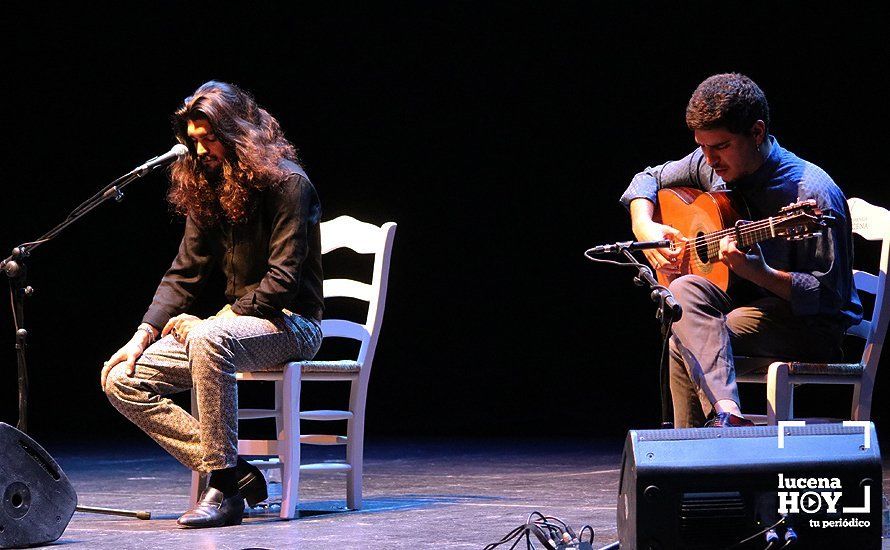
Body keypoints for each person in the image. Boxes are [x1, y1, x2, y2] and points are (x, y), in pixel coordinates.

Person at [100, 81, 324, 527]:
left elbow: (282, 282)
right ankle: (236, 473)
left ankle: (223, 491)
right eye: (193, 140)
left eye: (209, 138)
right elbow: (184, 272)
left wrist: (217, 319)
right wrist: (142, 335)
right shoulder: (209, 186)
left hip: (292, 324)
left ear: (239, 133)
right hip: (227, 333)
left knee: (207, 335)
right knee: (119, 377)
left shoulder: (289, 184)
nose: (200, 150)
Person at [620, 73, 862, 428]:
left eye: (720, 147)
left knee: (685, 337)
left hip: (808, 325)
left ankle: (699, 458)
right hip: (744, 305)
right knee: (682, 291)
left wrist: (760, 274)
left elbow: (830, 299)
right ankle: (726, 420)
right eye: (702, 147)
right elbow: (648, 178)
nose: (709, 159)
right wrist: (644, 225)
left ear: (757, 132)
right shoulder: (710, 162)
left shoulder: (811, 192)